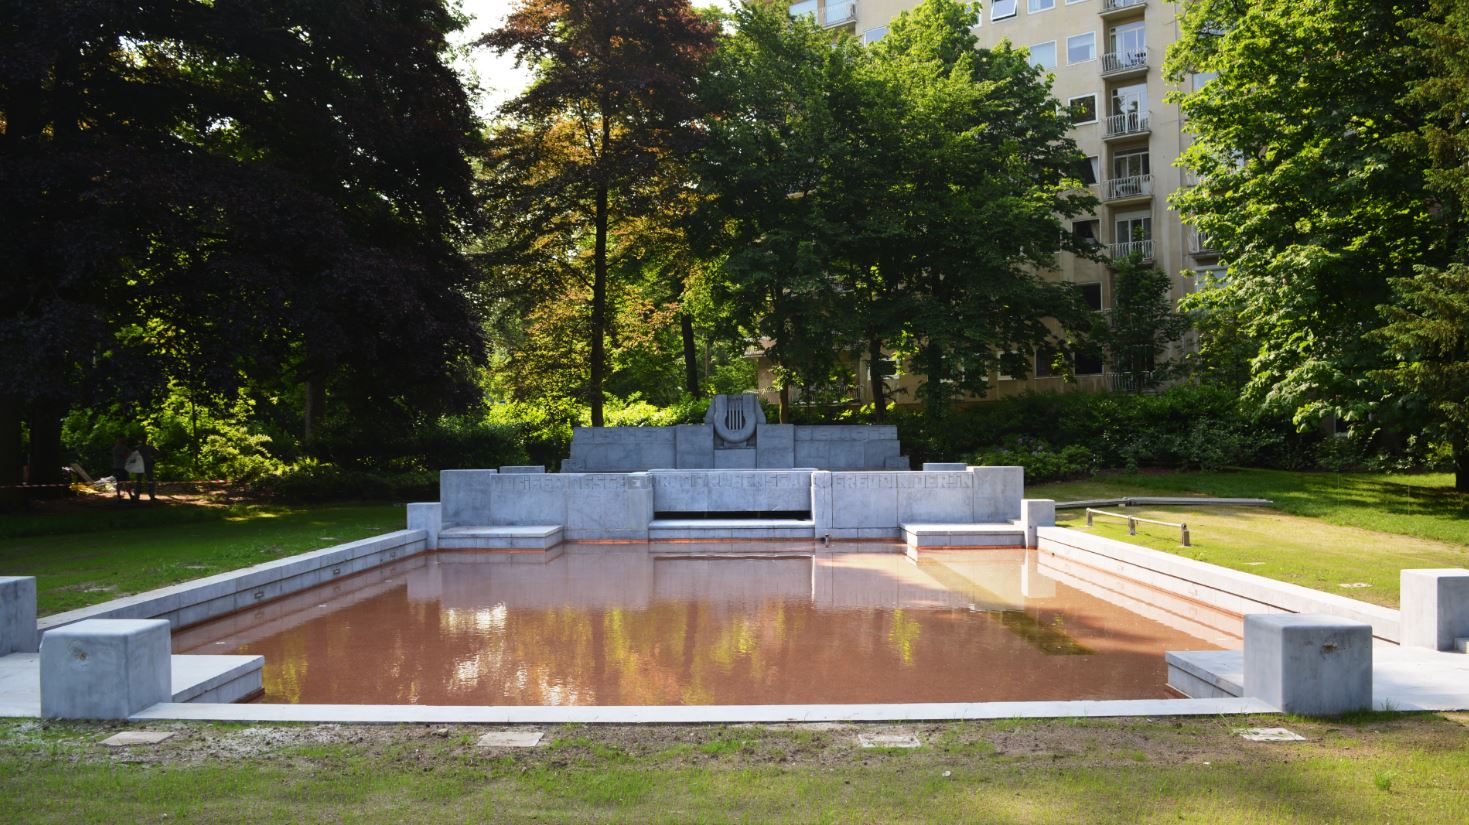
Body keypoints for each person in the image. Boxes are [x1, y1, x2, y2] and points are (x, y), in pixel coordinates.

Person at [110, 435, 131, 500]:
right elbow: (124, 456)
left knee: (127, 481)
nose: (125, 440)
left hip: (124, 467)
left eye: (125, 439)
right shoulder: (117, 448)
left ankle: (130, 495)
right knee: (120, 482)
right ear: (119, 439)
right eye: (123, 439)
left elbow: (128, 453)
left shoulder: (124, 446)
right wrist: (129, 453)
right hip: (118, 467)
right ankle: (118, 496)